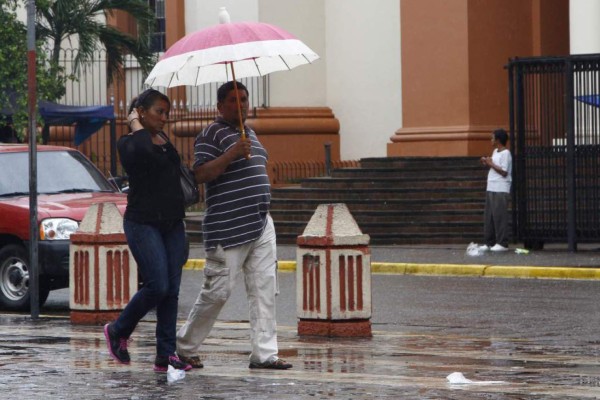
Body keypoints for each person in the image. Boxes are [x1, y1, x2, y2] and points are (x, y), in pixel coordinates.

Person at [176, 81, 292, 370]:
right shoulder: (210, 134)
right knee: (218, 291)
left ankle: (264, 354)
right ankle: (185, 346)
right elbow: (199, 173)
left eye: (243, 99)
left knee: (264, 288)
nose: (240, 105)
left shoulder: (249, 133)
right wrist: (230, 155)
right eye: (232, 100)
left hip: (260, 221)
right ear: (219, 106)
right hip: (228, 227)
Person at [103, 88, 192, 372]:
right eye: (159, 112)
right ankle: (118, 330)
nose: (165, 118)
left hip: (172, 223)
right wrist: (133, 123)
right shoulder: (128, 142)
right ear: (141, 112)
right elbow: (142, 151)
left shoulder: (164, 140)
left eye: (167, 113)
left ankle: (166, 355)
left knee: (172, 291)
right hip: (142, 223)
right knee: (158, 284)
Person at [478, 128, 512, 252]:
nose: (491, 140)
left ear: (498, 140)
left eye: (492, 138)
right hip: (491, 187)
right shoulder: (495, 151)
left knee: (499, 216)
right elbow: (494, 165)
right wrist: (487, 161)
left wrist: (490, 164)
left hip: (500, 188)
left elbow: (504, 171)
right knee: (489, 216)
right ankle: (489, 242)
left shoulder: (506, 153)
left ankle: (502, 243)